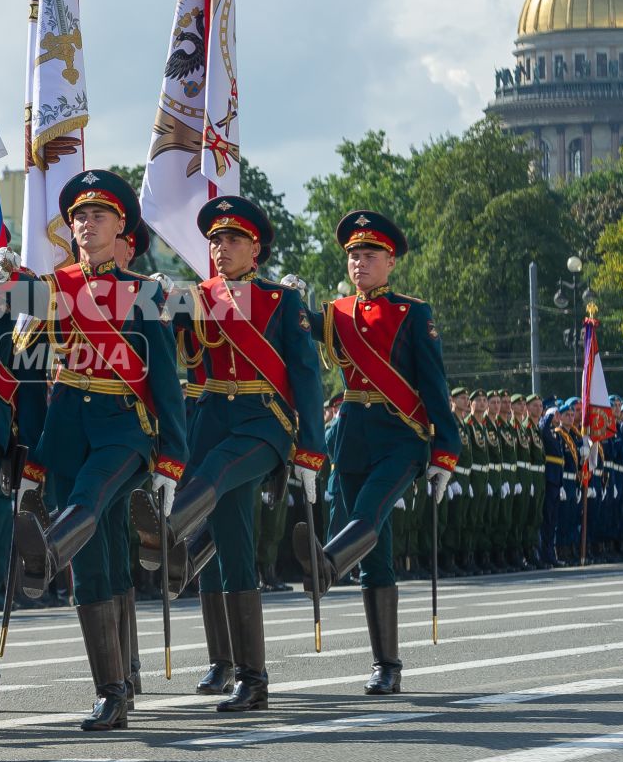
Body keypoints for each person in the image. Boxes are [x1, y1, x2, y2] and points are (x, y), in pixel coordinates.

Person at [0, 170, 190, 730]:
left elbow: (166, 380)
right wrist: (29, 452)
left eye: (98, 215)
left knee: (94, 497)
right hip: (67, 425)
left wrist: (172, 457)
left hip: (125, 427)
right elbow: (26, 369)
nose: (86, 224)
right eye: (78, 216)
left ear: (120, 225)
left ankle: (44, 554)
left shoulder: (146, 291)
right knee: (96, 566)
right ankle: (112, 689)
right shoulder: (53, 288)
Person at [153, 196, 324, 713]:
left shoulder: (281, 301)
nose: (219, 248)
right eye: (214, 241)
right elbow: (169, 347)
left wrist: (310, 452)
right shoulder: (198, 296)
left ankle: (165, 531)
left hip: (262, 424)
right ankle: (250, 677)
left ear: (256, 248)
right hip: (211, 420)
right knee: (232, 546)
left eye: (231, 240)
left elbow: (307, 379)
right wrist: (159, 305)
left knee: (216, 472)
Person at [288, 211, 460, 696]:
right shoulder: (335, 313)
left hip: (401, 437)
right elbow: (292, 335)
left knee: (366, 514)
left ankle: (324, 567)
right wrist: (288, 299)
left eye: (368, 255)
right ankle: (387, 664)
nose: (359, 263)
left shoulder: (412, 313)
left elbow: (434, 384)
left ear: (390, 262)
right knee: (374, 555)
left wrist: (445, 452)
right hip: (352, 435)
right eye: (352, 255)